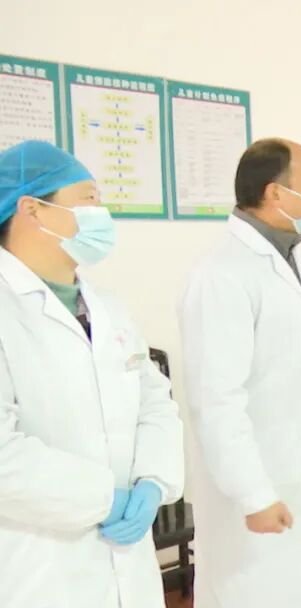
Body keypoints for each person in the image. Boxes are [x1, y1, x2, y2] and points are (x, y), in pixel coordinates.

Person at [179, 139, 301, 608]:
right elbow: (216, 400)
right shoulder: (222, 275)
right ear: (275, 193)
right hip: (266, 494)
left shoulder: (296, 258)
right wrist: (253, 494)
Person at [0, 141, 184, 607]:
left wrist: (153, 482)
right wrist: (104, 498)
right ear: (32, 209)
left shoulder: (107, 308)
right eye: (88, 199)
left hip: (128, 563)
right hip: (38, 570)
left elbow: (155, 402)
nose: (101, 213)